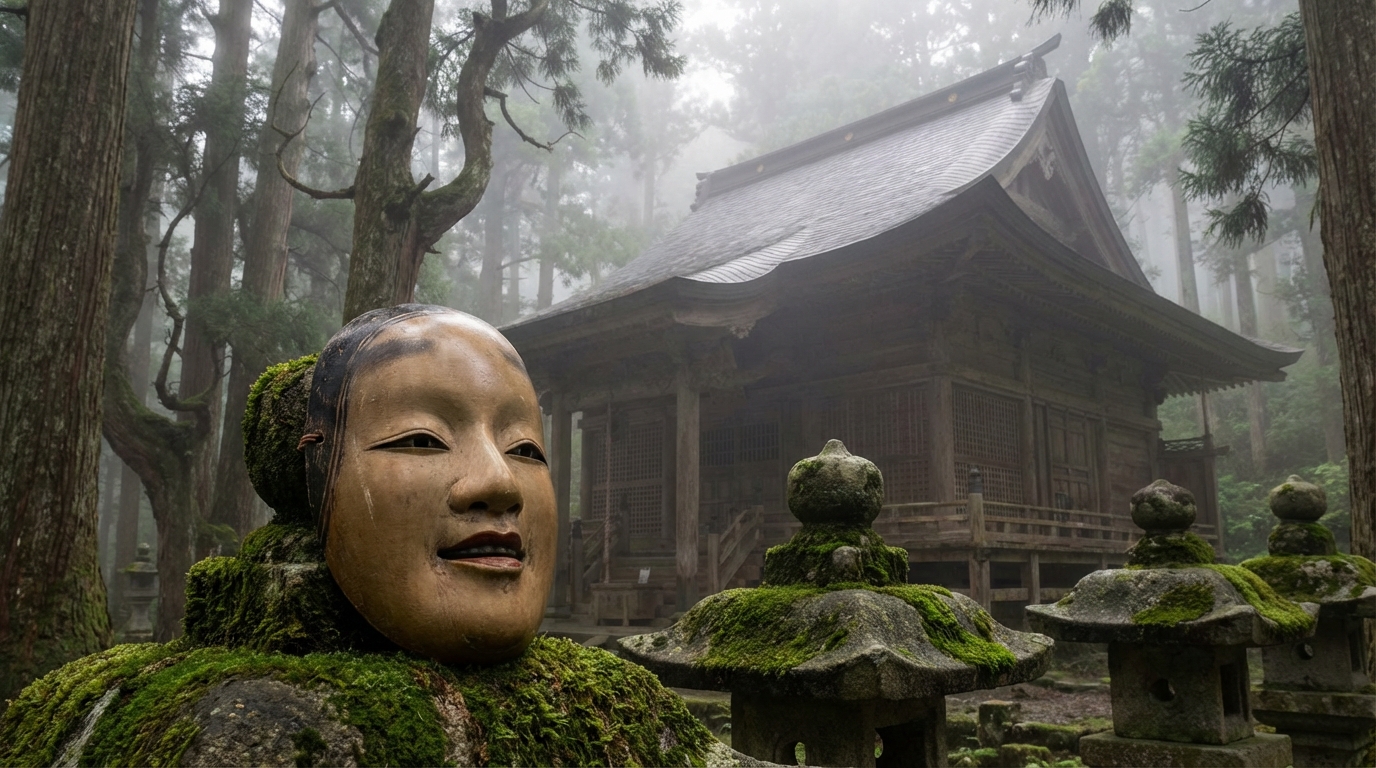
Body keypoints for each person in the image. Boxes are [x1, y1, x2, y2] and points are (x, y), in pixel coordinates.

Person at [0, 306, 750, 767]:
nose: (500, 482)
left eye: (527, 448)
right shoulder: (253, 730)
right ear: (315, 473)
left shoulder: (614, 712)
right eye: (422, 439)